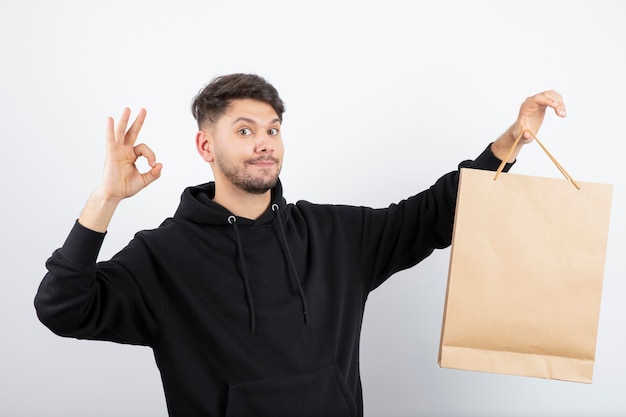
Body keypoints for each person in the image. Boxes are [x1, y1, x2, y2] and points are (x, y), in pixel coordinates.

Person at [34, 73, 566, 417]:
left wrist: (510, 140)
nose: (264, 142)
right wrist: (105, 199)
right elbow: (62, 308)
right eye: (244, 131)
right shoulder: (163, 257)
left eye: (273, 128)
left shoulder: (333, 236)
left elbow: (433, 215)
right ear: (206, 145)